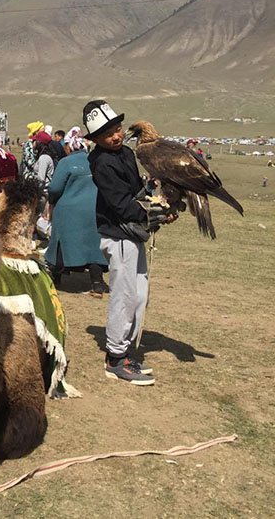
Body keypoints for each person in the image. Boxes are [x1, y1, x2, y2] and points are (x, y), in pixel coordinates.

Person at [85, 99, 172, 386]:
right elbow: (121, 205)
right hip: (118, 235)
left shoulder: (124, 153)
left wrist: (155, 198)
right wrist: (153, 213)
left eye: (118, 128)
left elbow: (135, 191)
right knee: (123, 297)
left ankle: (123, 351)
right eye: (108, 133)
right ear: (96, 139)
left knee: (138, 295)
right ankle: (115, 358)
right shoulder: (102, 163)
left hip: (132, 234)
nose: (117, 135)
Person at [44, 126, 108, 296]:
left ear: (69, 145)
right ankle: (97, 282)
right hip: (94, 209)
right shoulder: (94, 160)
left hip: (69, 211)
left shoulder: (66, 162)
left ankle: (56, 276)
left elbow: (55, 188)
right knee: (94, 245)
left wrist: (50, 202)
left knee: (60, 243)